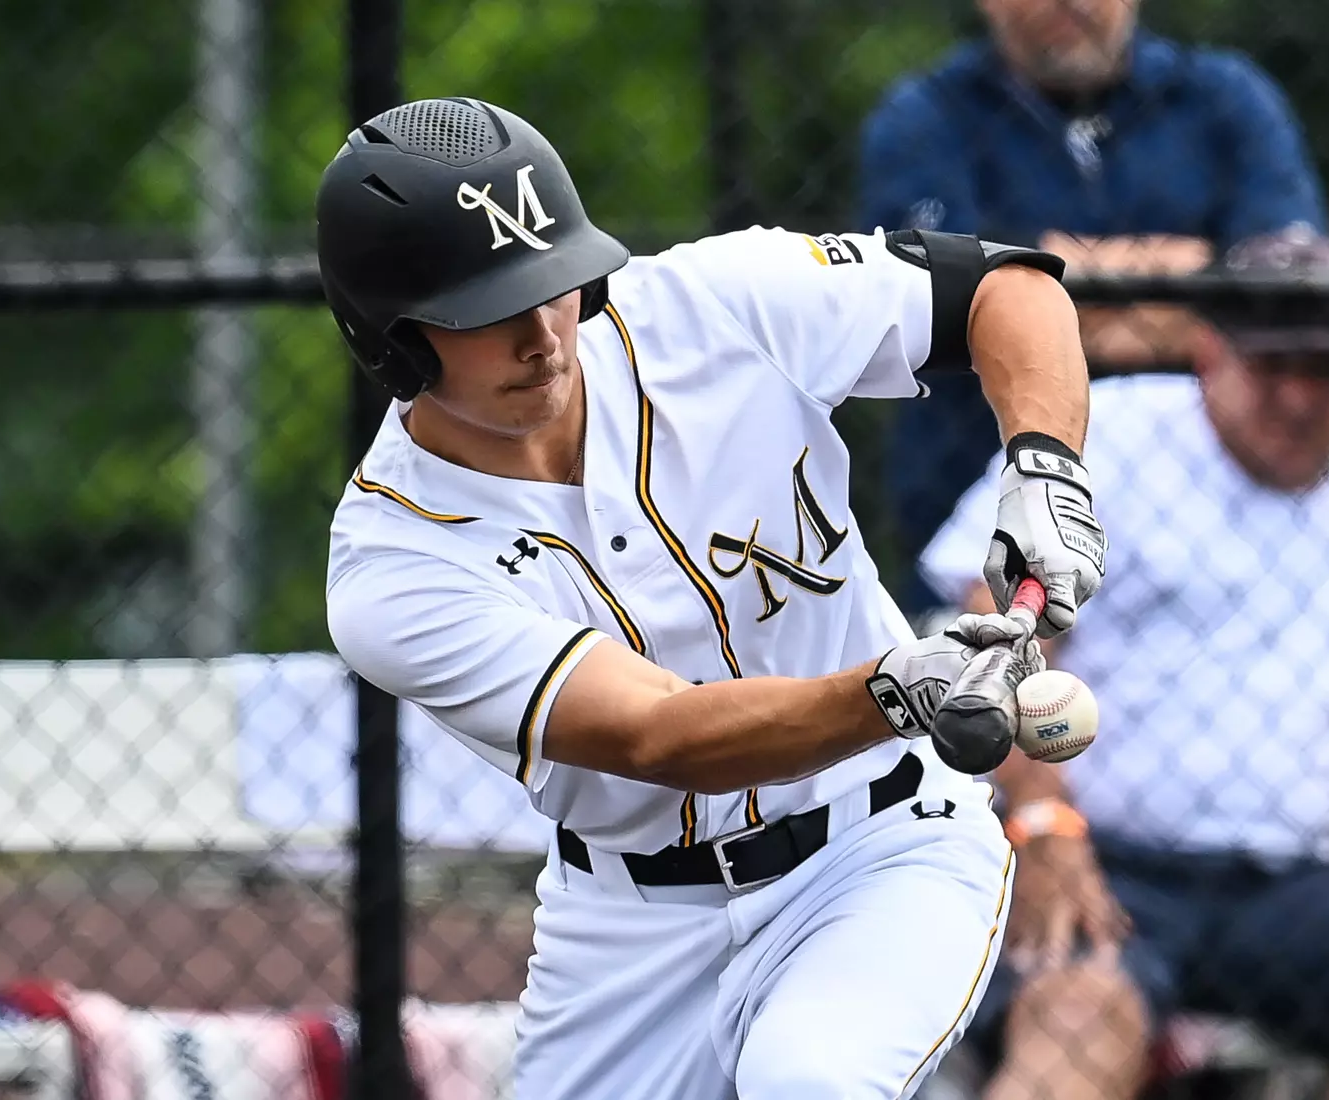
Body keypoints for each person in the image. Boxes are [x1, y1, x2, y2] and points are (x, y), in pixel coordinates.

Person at [316, 97, 1107, 1099]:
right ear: (390, 340)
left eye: (553, 281)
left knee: (806, 1081)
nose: (541, 335)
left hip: (876, 843)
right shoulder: (394, 564)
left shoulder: (712, 301)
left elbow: (1003, 287)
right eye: (485, 311)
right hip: (627, 931)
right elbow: (662, 734)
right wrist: (894, 687)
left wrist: (1043, 464)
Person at [919, 227, 1329, 1100]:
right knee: (1079, 1025)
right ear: (1209, 352)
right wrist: (1041, 823)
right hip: (1100, 863)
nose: (1302, 397)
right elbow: (994, 653)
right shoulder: (1104, 441)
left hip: (1295, 883)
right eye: (1274, 368)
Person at [859, 0, 1328, 620]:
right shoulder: (922, 118)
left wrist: (1031, 284)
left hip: (1214, 534)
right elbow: (941, 305)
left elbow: (1281, 299)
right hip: (983, 526)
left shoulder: (1226, 99)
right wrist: (1191, 282)